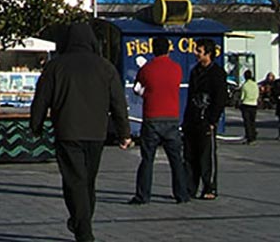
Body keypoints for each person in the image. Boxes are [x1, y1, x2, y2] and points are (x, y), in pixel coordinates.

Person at [30, 22, 132, 242]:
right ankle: (81, 221)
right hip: (96, 133)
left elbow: (41, 100)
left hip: (67, 131)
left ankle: (82, 226)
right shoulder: (105, 67)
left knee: (74, 180)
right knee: (88, 181)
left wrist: (35, 126)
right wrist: (124, 132)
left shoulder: (55, 67)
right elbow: (118, 103)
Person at [129, 36, 187, 205]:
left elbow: (137, 89)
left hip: (152, 117)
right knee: (176, 159)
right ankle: (181, 194)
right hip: (172, 118)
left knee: (147, 159)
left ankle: (143, 195)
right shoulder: (176, 68)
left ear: (153, 49)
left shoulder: (147, 69)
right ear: (168, 49)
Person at [183, 38, 227, 200]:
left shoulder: (217, 73)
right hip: (192, 119)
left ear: (208, 54)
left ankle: (209, 187)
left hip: (206, 120)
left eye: (199, 51)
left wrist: (212, 120)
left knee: (206, 155)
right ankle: (189, 187)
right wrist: (186, 119)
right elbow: (190, 97)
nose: (195, 53)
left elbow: (220, 99)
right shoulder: (195, 71)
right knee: (189, 155)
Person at [238, 69, 260, 143]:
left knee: (247, 122)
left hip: (246, 104)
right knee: (252, 121)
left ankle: (249, 137)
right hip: (254, 104)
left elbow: (242, 96)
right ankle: (253, 136)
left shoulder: (245, 85)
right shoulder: (255, 84)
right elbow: (257, 94)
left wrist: (240, 102)